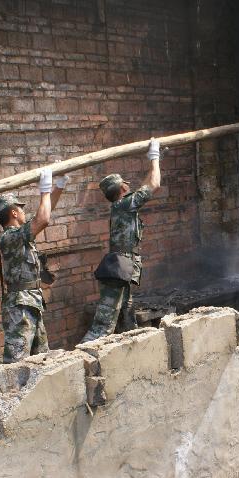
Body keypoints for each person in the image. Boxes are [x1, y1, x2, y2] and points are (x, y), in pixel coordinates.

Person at [80, 139, 160, 343]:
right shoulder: (124, 205)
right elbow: (153, 184)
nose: (129, 184)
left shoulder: (123, 206)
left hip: (124, 265)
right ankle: (83, 353)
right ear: (122, 189)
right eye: (126, 182)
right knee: (104, 321)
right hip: (120, 266)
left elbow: (145, 184)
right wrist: (154, 157)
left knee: (127, 312)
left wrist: (153, 158)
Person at [0, 168, 68, 363]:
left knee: (41, 359)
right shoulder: (8, 237)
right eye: (22, 209)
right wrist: (44, 188)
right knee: (16, 364)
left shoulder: (20, 234)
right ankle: (12, 393)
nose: (26, 212)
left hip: (31, 301)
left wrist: (58, 185)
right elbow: (42, 219)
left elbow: (45, 214)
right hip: (20, 307)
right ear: (14, 212)